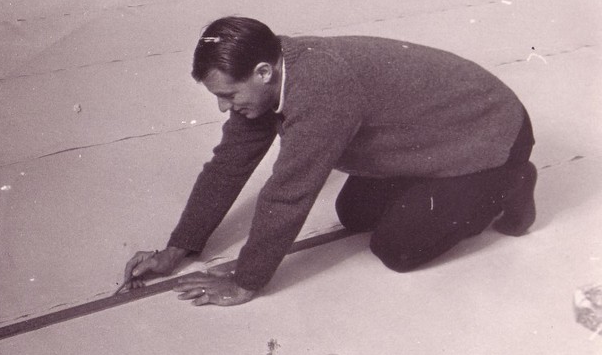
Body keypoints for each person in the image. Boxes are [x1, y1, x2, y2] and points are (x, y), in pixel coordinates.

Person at [121, 17, 537, 306]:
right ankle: (446, 185)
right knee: (354, 212)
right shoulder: (271, 76)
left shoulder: (321, 88)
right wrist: (179, 248)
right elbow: (229, 163)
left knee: (398, 249)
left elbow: (289, 193)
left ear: (263, 72)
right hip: (431, 135)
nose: (221, 107)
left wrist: (247, 280)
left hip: (490, 132)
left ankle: (512, 182)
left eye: (228, 95)